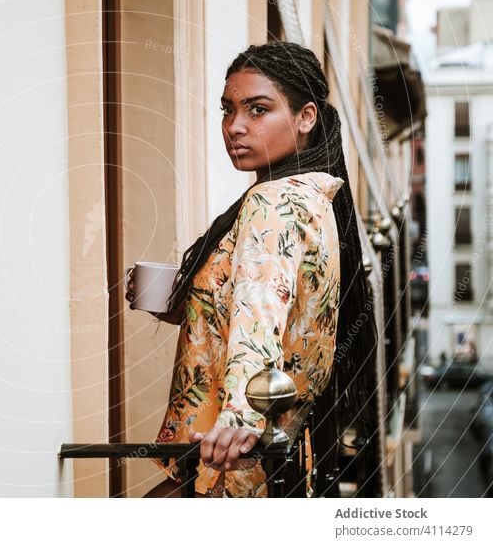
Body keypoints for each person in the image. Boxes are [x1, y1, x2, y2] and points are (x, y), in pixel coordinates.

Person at [126, 41, 380, 498]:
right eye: (227, 110)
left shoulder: (275, 202)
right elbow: (275, 303)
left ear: (306, 118)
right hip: (273, 459)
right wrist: (186, 296)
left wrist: (239, 419)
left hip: (227, 463)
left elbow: (258, 321)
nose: (234, 127)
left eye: (257, 110)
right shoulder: (314, 199)